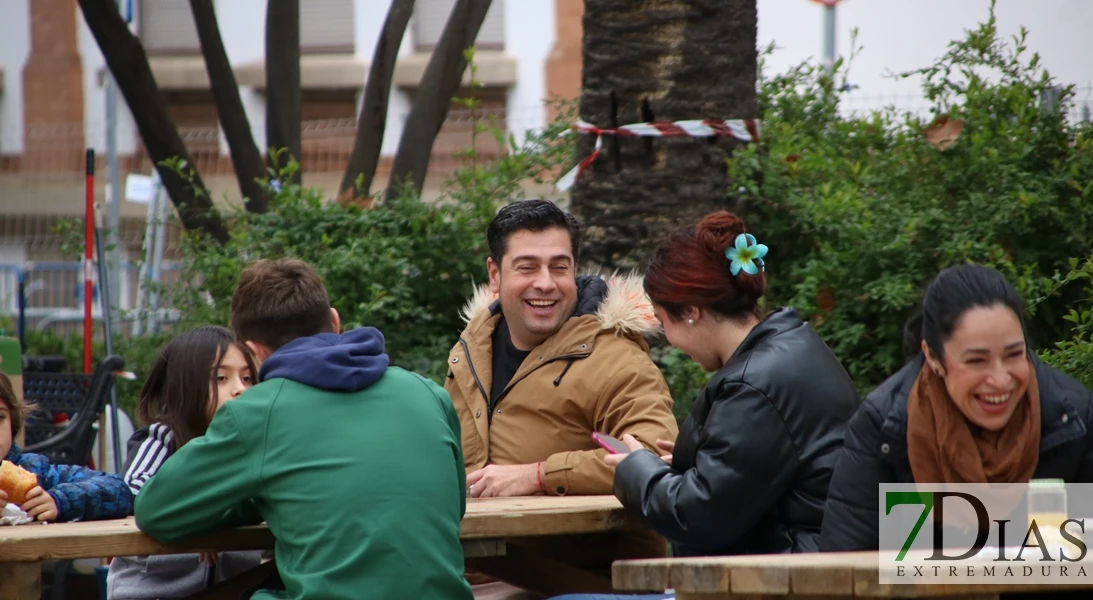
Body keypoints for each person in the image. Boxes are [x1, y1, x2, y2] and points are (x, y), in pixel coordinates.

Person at [133, 259, 472, 600]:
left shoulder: (256, 413)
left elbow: (156, 512)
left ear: (252, 351)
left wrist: (252, 497)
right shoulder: (428, 394)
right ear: (335, 321)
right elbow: (453, 507)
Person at [445, 199, 678, 595]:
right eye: (527, 267)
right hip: (475, 572)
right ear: (494, 274)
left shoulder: (617, 357)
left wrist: (538, 475)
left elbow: (654, 461)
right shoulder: (468, 352)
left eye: (559, 266)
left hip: (589, 583)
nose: (546, 283)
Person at [602, 210, 858, 558]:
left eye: (665, 321)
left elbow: (699, 517)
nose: (671, 339)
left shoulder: (754, 385)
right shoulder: (791, 350)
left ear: (692, 311)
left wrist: (637, 471)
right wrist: (687, 464)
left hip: (797, 579)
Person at [820, 264, 1093, 551]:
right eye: (976, 361)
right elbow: (843, 569)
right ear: (933, 358)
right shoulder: (885, 428)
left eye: (1014, 354)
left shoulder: (1074, 422)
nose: (1000, 379)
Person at [108, 326, 262, 600]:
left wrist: (217, 515)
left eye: (247, 378)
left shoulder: (254, 450)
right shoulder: (161, 440)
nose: (240, 389)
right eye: (221, 378)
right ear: (186, 386)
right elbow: (133, 493)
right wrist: (196, 517)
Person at [0, 372, 133, 522]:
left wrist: (61, 500)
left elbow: (118, 490)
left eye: (0, 417)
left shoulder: (33, 471)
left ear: (12, 421)